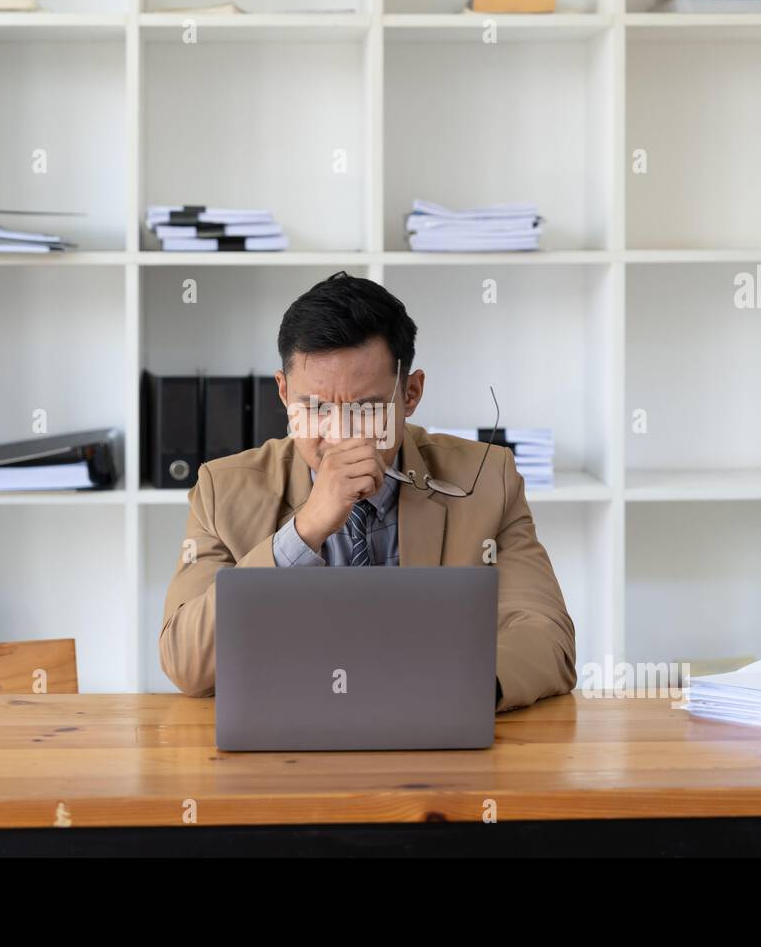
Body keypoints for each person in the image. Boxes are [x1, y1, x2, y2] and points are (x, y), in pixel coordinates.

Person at [160, 271, 576, 711]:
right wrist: (301, 534)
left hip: (436, 734)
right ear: (283, 393)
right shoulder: (221, 488)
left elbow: (547, 638)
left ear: (411, 392)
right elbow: (188, 663)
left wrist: (458, 690)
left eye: (367, 409)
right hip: (287, 743)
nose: (340, 435)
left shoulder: (489, 479)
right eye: (315, 408)